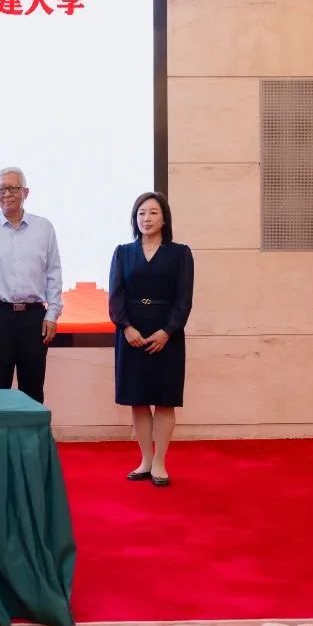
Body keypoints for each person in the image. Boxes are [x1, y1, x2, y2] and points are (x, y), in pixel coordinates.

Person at [109, 191, 194, 487]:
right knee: (139, 400)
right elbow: (115, 296)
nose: (146, 218)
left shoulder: (180, 253)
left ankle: (160, 463)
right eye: (141, 213)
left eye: (153, 212)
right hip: (131, 333)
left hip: (166, 335)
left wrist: (167, 331)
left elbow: (184, 299)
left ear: (164, 218)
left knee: (164, 400)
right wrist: (126, 327)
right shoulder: (123, 252)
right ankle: (145, 459)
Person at [0, 166, 62, 404]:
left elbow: (54, 273)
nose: (7, 194)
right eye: (2, 189)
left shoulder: (44, 228)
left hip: (34, 318)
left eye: (13, 188)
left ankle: (31, 431)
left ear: (25, 192)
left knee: (33, 388)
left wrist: (52, 313)